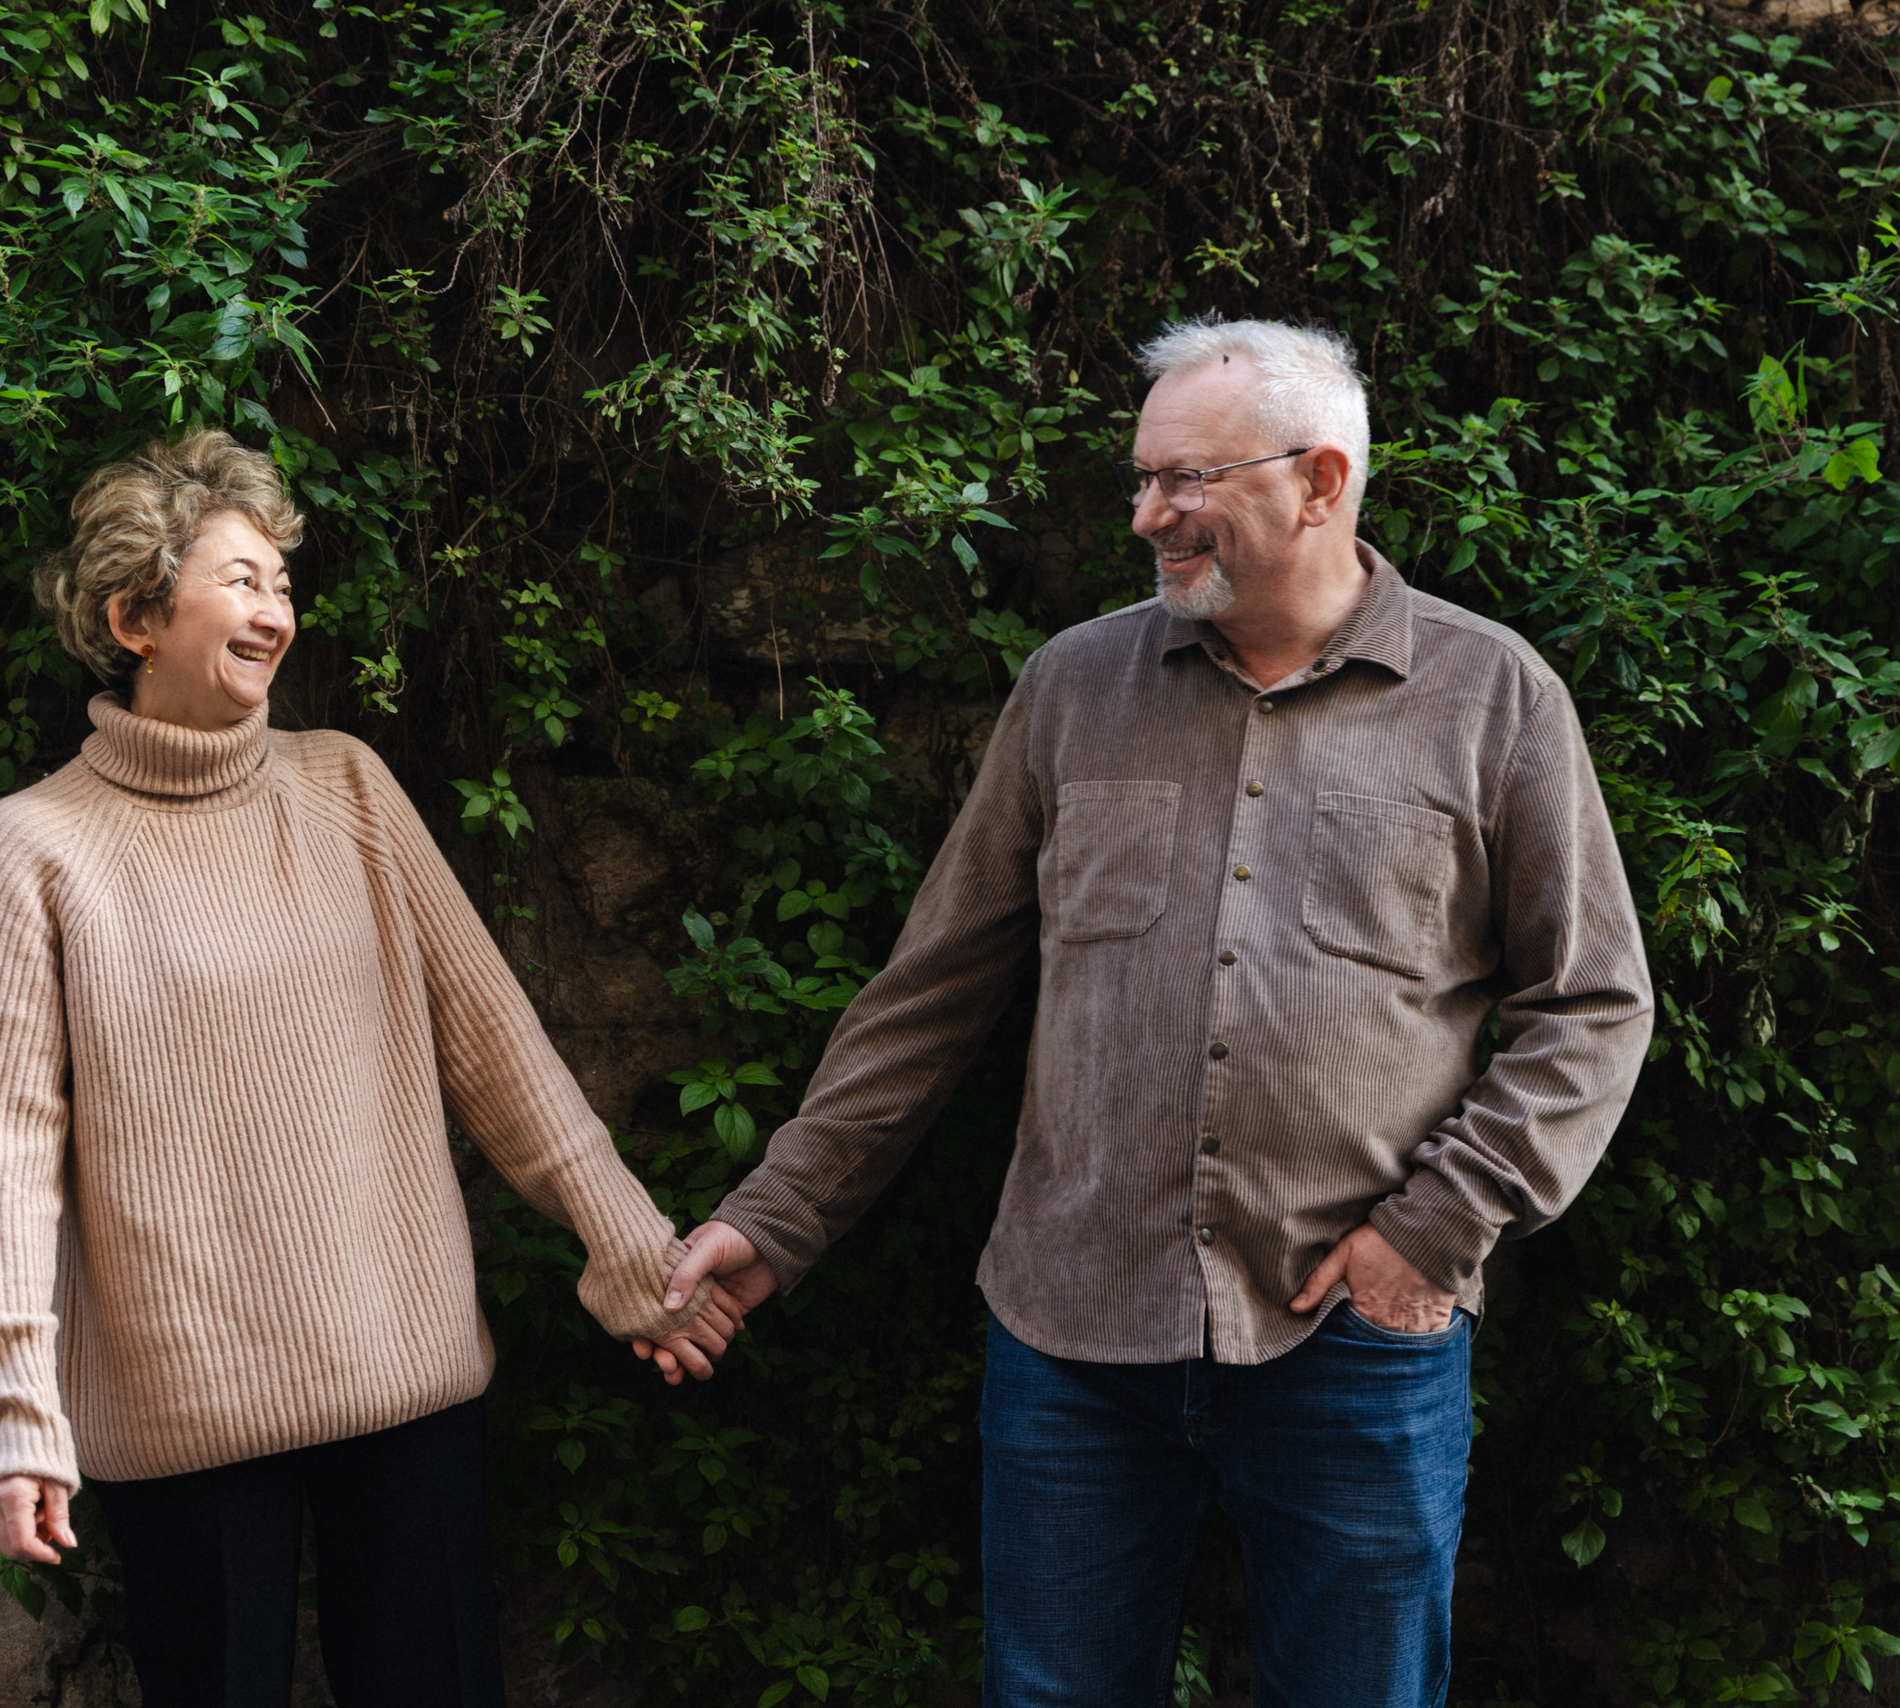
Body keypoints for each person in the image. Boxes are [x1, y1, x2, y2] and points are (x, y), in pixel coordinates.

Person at [642, 317, 1655, 1706]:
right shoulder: (1073, 687)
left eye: (1187, 479)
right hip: (1073, 1334)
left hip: (1351, 1341)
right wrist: (779, 1215)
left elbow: (1591, 1002)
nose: (1146, 515)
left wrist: (1430, 1234)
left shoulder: (1493, 697)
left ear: (1322, 480)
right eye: (1142, 478)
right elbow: (931, 992)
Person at [0, 429, 737, 1708]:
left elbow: (497, 1047)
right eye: (240, 580)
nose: (275, 612)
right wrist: (12, 1414)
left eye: (283, 585)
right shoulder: (34, 849)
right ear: (135, 618)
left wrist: (631, 1248)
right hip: (182, 1407)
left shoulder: (349, 786)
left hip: (404, 1372)